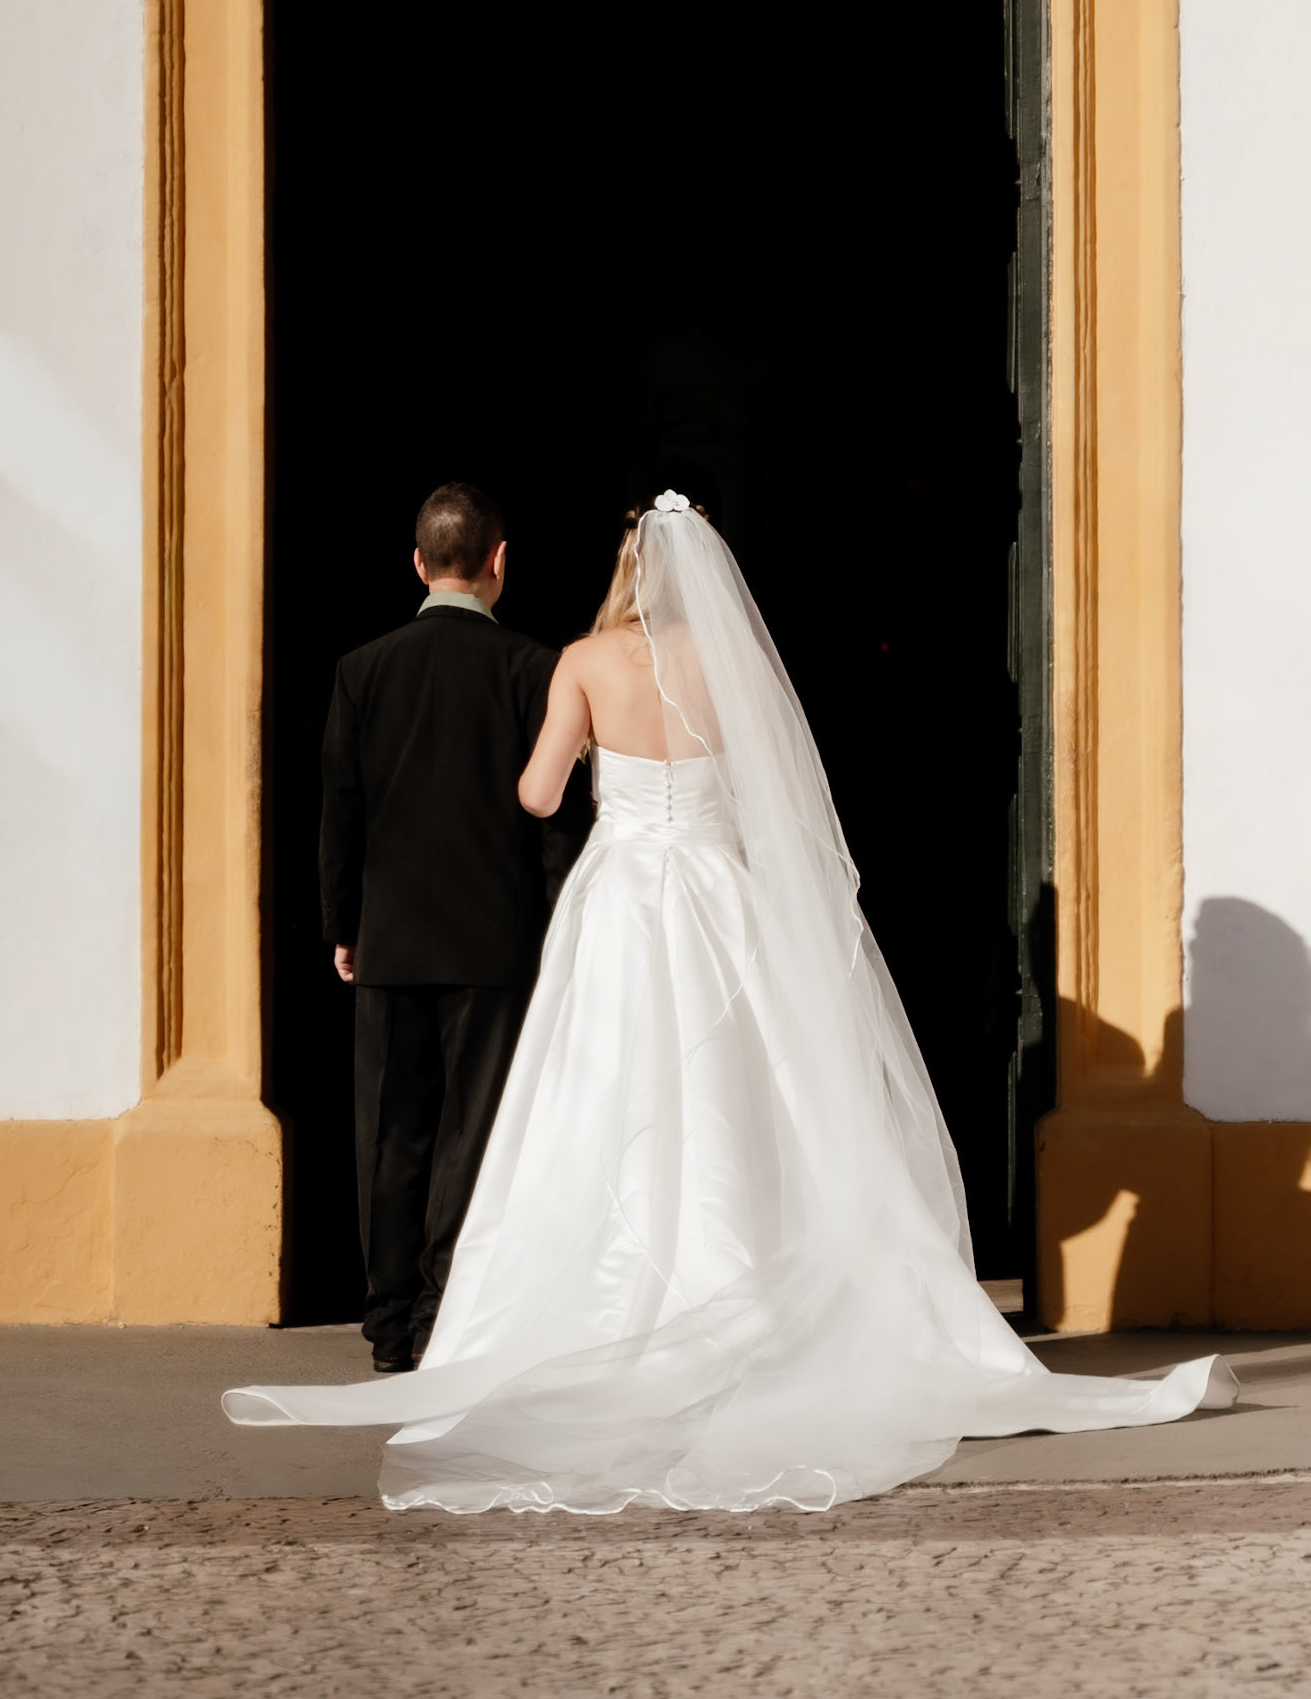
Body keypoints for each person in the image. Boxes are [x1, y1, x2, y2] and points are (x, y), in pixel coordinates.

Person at [228, 493, 1236, 1510]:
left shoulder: (582, 660)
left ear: (625, 566)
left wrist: (581, 765)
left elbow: (536, 794)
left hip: (623, 897)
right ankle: (749, 1295)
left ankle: (603, 1312)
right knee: (745, 1091)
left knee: (606, 1092)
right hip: (717, 894)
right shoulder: (733, 668)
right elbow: (770, 795)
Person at [318, 480, 578, 1374]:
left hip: (388, 936)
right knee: (475, 1127)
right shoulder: (533, 668)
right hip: (494, 941)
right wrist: (557, 928)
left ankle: (389, 1323)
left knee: (390, 1131)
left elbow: (341, 812)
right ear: (499, 563)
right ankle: (443, 1312)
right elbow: (552, 822)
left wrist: (342, 921)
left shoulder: (362, 668)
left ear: (418, 563)